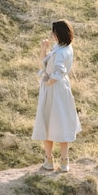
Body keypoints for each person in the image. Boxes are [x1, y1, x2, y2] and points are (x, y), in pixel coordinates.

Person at [32, 19, 81, 172]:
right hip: (61, 88)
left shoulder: (61, 52)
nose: (52, 34)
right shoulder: (64, 48)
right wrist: (44, 49)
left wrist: (47, 82)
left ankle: (49, 161)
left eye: (53, 32)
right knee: (61, 123)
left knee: (49, 123)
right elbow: (46, 63)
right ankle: (64, 162)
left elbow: (56, 74)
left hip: (54, 90)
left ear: (58, 34)